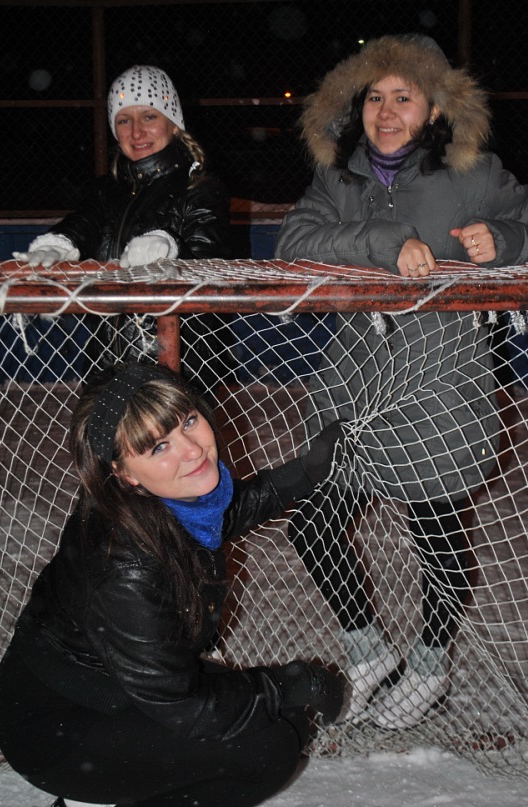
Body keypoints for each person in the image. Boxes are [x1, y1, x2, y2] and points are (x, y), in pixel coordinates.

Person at [275, 34, 528, 729]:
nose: (386, 113)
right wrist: (381, 244)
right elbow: (295, 241)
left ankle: (428, 665)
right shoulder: (340, 177)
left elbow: (523, 222)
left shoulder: (474, 174)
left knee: (436, 531)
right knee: (314, 522)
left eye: (403, 97)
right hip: (355, 383)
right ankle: (367, 652)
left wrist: (505, 241)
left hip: (442, 383)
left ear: (435, 108)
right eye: (374, 98)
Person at [0, 361, 348, 807]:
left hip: (119, 685)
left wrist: (307, 471)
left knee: (287, 720)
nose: (192, 450)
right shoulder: (125, 567)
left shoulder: (152, 499)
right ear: (124, 472)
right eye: (160, 446)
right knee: (269, 750)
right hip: (58, 725)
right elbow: (188, 707)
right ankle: (88, 798)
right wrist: (294, 682)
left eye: (188, 422)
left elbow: (216, 521)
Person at [12, 65, 233, 392]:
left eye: (149, 117)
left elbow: (211, 266)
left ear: (173, 124)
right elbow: (85, 222)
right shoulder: (106, 190)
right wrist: (61, 241)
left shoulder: (200, 188)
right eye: (124, 120)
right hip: (106, 364)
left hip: (178, 372)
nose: (136, 132)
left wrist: (170, 247)